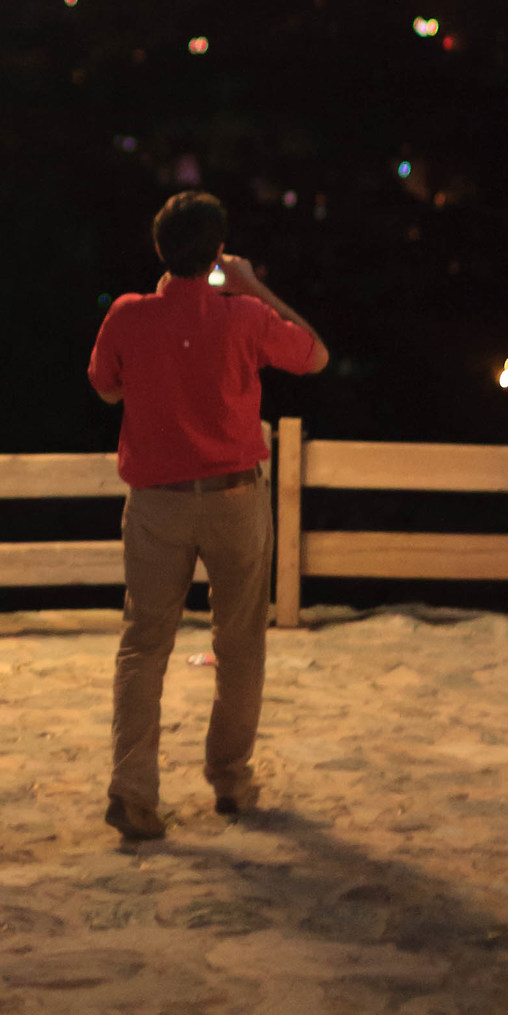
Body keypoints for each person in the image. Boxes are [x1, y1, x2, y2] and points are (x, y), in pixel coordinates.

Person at [88, 189, 327, 839]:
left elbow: (105, 388)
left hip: (157, 503)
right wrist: (253, 286)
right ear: (218, 252)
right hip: (234, 498)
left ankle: (133, 789)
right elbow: (314, 355)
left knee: (143, 645)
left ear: (159, 248)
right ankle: (229, 779)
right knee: (240, 645)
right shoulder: (244, 315)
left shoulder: (127, 315)